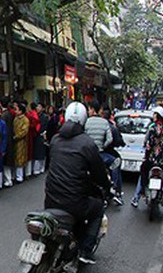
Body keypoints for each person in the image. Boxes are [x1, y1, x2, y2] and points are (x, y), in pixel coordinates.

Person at [45, 101, 111, 264]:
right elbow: (99, 173)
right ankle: (86, 250)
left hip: (51, 199)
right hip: (75, 202)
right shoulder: (87, 143)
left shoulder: (55, 140)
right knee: (98, 208)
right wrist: (107, 186)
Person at [132, 107, 163, 214]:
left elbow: (146, 142)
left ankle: (136, 198)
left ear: (158, 116)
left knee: (143, 171)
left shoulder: (151, 128)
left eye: (155, 114)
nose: (153, 116)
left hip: (151, 159)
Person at [84, 102, 121, 205]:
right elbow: (110, 139)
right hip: (101, 154)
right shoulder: (104, 122)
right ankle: (114, 187)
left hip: (88, 155)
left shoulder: (86, 122)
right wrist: (103, 146)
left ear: (92, 109)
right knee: (115, 162)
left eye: (89, 109)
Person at [13, 103, 30, 183]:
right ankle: (16, 176)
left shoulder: (25, 120)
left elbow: (24, 131)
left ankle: (20, 177)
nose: (15, 111)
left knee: (20, 158)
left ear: (21, 111)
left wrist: (16, 136)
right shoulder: (15, 119)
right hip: (15, 141)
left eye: (16, 110)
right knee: (16, 157)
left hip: (21, 141)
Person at [1, 99, 15, 188]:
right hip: (10, 138)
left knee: (5, 162)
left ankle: (8, 180)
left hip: (6, 139)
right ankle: (10, 178)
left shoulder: (4, 116)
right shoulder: (10, 114)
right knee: (8, 161)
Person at [32, 103, 48, 175]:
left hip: (41, 135)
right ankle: (36, 168)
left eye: (39, 106)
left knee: (41, 152)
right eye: (37, 106)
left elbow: (45, 126)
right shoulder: (34, 115)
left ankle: (41, 168)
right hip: (36, 135)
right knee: (37, 153)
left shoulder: (44, 117)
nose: (38, 108)